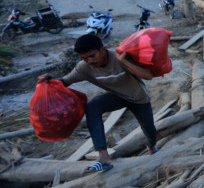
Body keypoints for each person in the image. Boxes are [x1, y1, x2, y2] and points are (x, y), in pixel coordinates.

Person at [39, 34, 159, 173]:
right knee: (92, 107)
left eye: (92, 56)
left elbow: (148, 76)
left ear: (103, 49)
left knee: (149, 129)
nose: (89, 61)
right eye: (84, 58)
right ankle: (103, 157)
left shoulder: (119, 58)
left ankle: (151, 146)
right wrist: (48, 81)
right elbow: (64, 82)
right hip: (117, 96)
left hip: (138, 97)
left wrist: (124, 61)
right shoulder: (84, 67)